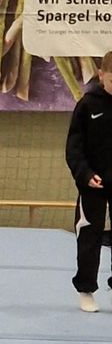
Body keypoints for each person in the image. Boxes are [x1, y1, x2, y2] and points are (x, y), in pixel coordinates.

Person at [65, 51, 112, 313]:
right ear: (102, 75)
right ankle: (86, 289)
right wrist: (84, 174)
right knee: (89, 236)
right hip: (93, 183)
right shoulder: (87, 105)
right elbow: (73, 148)